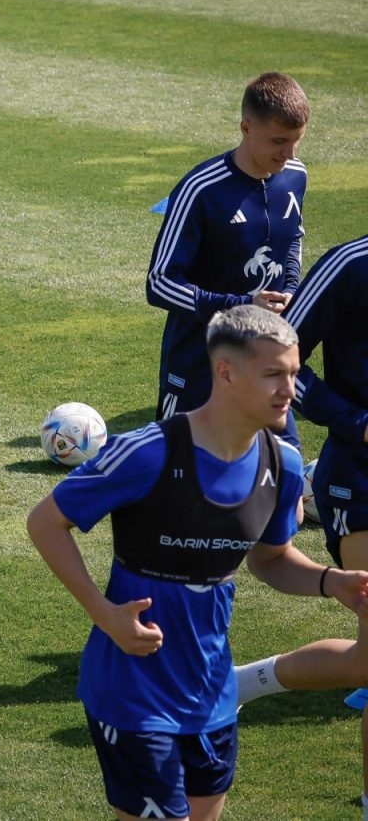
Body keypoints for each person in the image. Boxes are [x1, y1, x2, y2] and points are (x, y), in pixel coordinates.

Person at [27, 306, 368, 821]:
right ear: (225, 373)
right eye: (274, 374)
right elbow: (45, 522)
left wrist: (329, 580)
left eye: (295, 374)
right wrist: (103, 613)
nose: (289, 390)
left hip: (212, 690)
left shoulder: (283, 464)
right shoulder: (148, 452)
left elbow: (271, 559)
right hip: (132, 691)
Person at [230, 235, 368, 820]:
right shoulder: (353, 265)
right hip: (361, 479)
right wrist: (357, 422)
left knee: (365, 662)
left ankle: (242, 684)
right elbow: (277, 355)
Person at [146, 73, 309, 440]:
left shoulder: (295, 176)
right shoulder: (201, 189)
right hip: (200, 362)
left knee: (285, 464)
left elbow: (292, 240)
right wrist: (242, 305)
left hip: (266, 359)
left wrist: (291, 288)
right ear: (246, 127)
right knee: (183, 466)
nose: (289, 154)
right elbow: (159, 283)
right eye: (278, 141)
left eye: (297, 141)